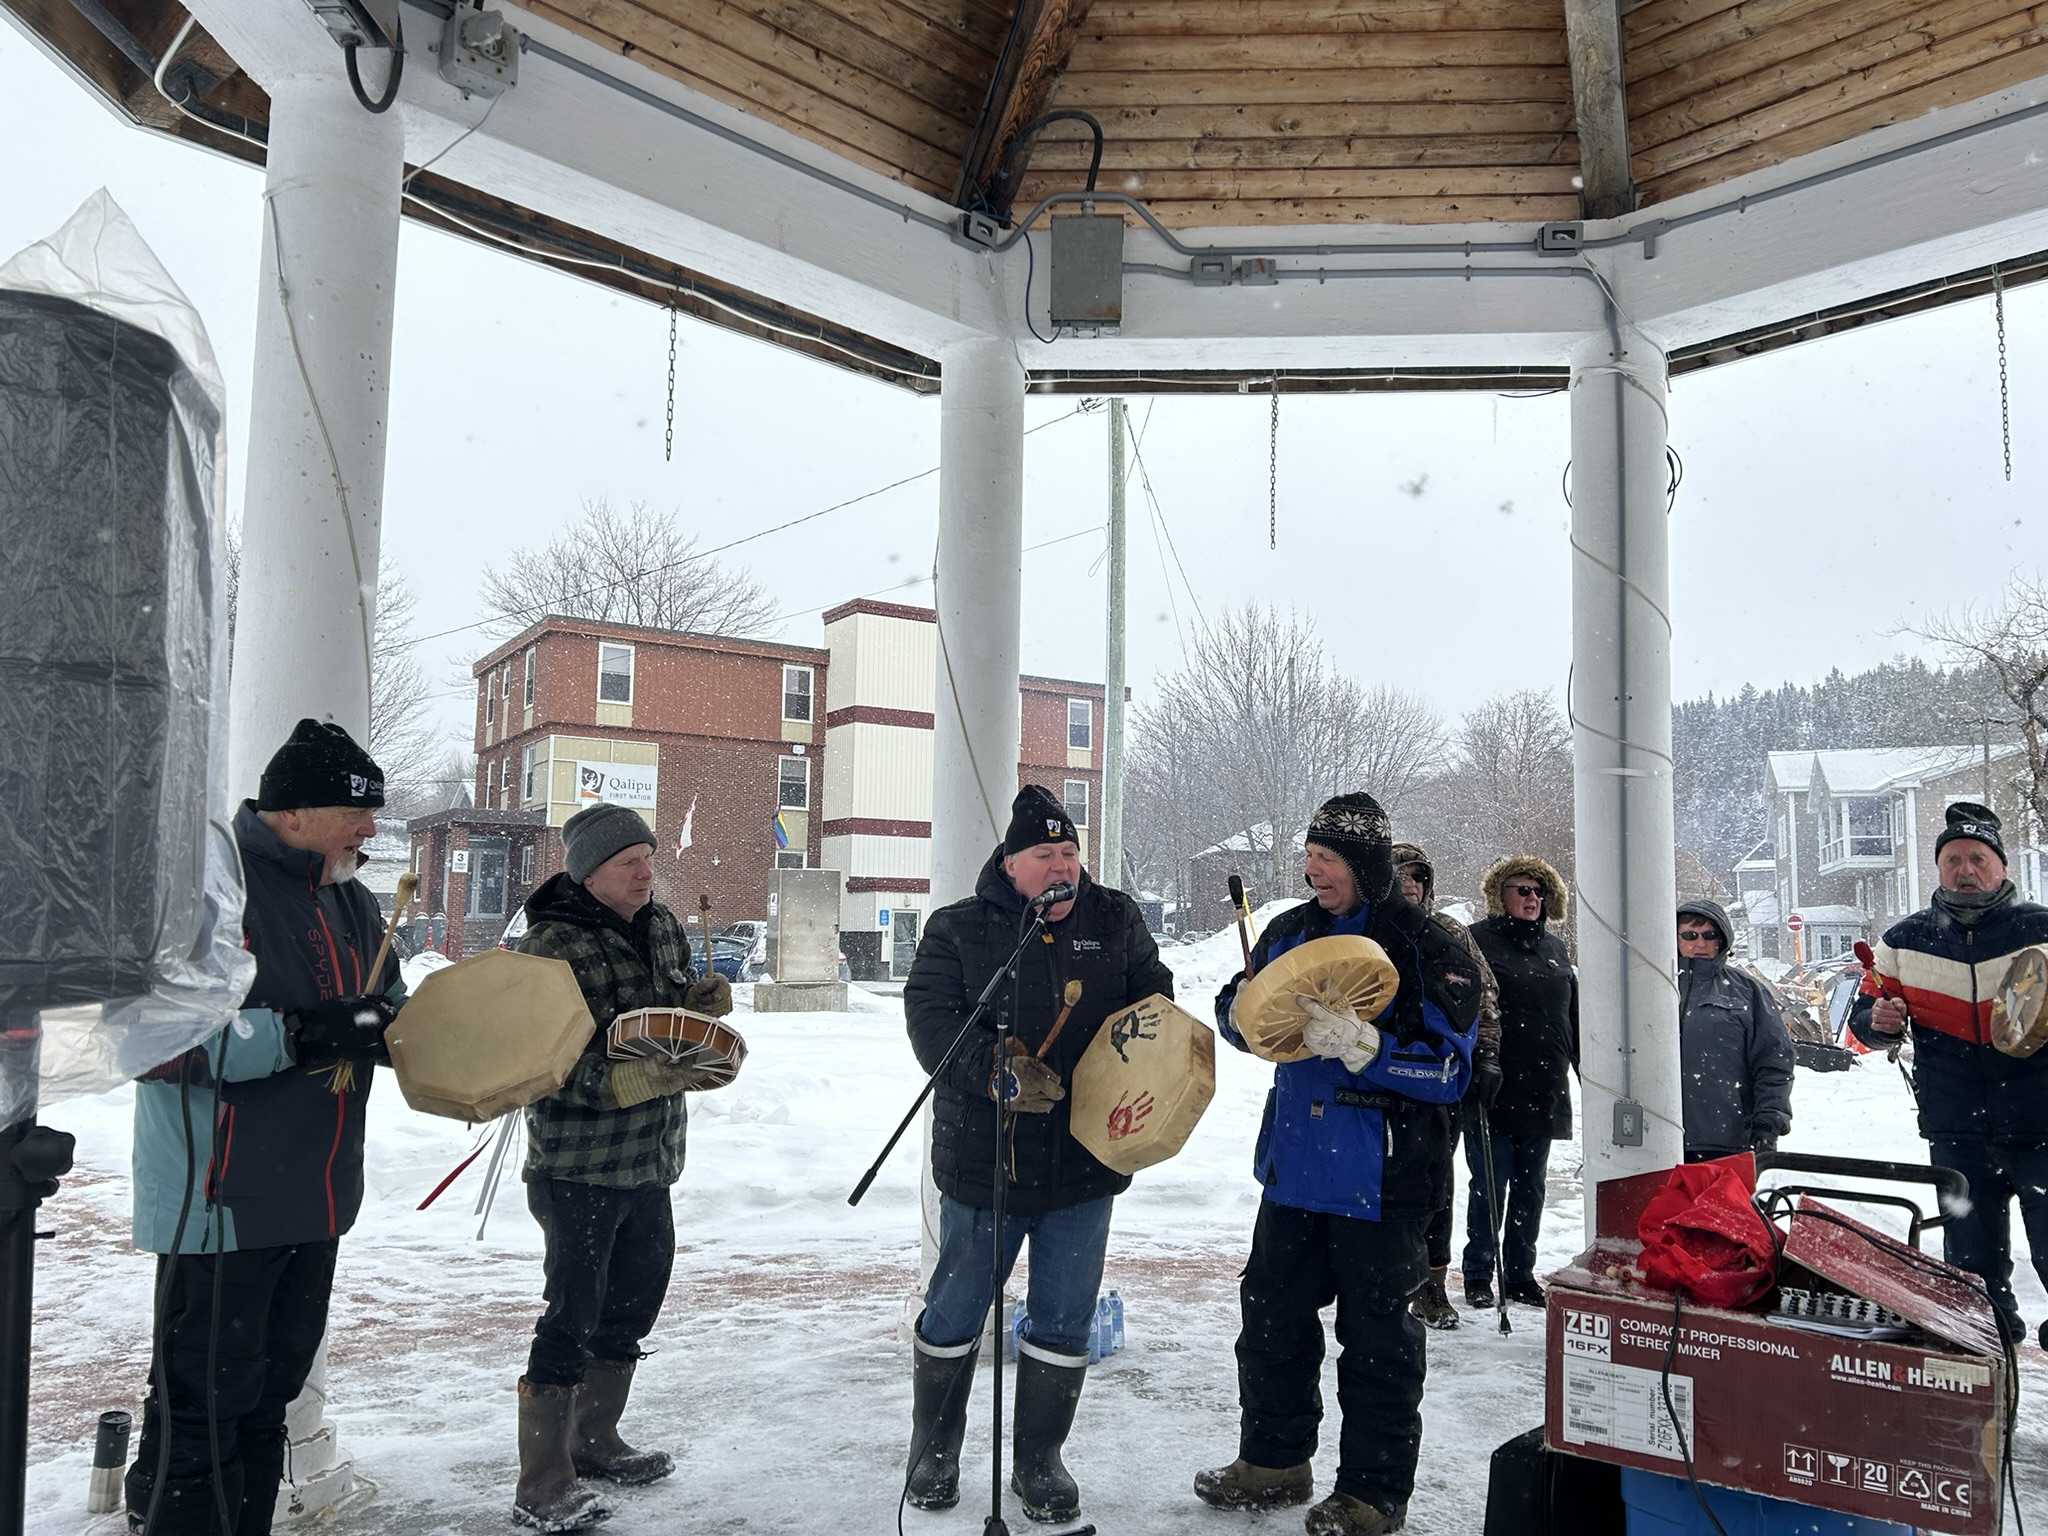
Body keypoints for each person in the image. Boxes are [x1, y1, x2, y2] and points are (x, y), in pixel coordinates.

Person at [126, 720, 405, 1536]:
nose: (371, 830)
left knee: (266, 1403)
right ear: (295, 810)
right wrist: (307, 1032)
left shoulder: (352, 899)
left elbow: (385, 1013)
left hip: (315, 1199)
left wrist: (426, 1038)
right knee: (203, 1412)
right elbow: (156, 1038)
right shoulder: (211, 889)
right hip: (220, 1202)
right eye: (358, 812)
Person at [1195, 794, 1482, 1536]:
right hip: (1293, 1169)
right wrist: (1250, 1024)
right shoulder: (1290, 929)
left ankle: (1372, 1494)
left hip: (1383, 1180)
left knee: (1380, 1344)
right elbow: (1236, 1005)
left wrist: (1367, 1048)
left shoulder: (1429, 946)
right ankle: (1273, 1460)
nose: (1311, 870)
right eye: (1310, 857)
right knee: (1271, 1322)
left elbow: (1452, 1072)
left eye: (1326, 859)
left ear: (1365, 866)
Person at [902, 785, 1173, 1524]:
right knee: (956, 1305)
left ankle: (1039, 1460)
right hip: (986, 1161)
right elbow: (930, 1020)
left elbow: (1155, 999)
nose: (1063, 867)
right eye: (1045, 855)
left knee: (1063, 1315)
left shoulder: (1114, 918)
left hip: (1085, 1161)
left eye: (1070, 852)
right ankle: (934, 1449)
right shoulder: (959, 929)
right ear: (1011, 864)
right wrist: (992, 1068)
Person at [511, 803, 733, 1531]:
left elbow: (663, 1022)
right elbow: (532, 1061)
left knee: (635, 1299)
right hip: (578, 1163)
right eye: (628, 862)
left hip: (653, 1155)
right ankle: (543, 1481)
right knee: (573, 1310)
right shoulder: (548, 946)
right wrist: (619, 1084)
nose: (646, 872)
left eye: (648, 857)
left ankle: (596, 1438)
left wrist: (695, 1010)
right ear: (589, 872)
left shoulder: (664, 924)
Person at [1849, 802, 2048, 1348]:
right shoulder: (1903, 941)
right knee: (1972, 1275)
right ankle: (1986, 1377)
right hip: (1957, 1131)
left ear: (2001, 866)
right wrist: (1882, 1022)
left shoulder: (2042, 929)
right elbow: (1864, 1022)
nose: (1966, 870)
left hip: (2042, 1126)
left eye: (1978, 859)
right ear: (1938, 869)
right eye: (1953, 859)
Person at [1390, 843, 1500, 1332]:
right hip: (1376, 1073)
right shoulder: (1367, 928)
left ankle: (1431, 1282)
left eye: (1419, 874)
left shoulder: (1449, 932)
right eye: (1399, 873)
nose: (1410, 882)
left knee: (1436, 1184)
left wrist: (1487, 1055)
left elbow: (1485, 994)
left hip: (1440, 1077)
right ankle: (1383, 1275)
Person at [1463, 856, 1577, 1312]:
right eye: (1522, 890)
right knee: (1489, 1186)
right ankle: (1477, 1273)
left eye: (1539, 891)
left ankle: (1519, 1273)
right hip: (1495, 1086)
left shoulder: (1555, 948)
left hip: (1545, 1086)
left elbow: (1570, 1014)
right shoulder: (1478, 941)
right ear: (1500, 895)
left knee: (1532, 1188)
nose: (1532, 899)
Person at [1676, 898, 1794, 1162]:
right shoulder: (1652, 985)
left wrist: (1768, 1126)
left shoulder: (1747, 992)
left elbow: (1774, 1062)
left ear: (1722, 940)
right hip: (1656, 1138)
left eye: (1710, 935)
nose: (1700, 943)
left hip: (1727, 1141)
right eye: (1689, 934)